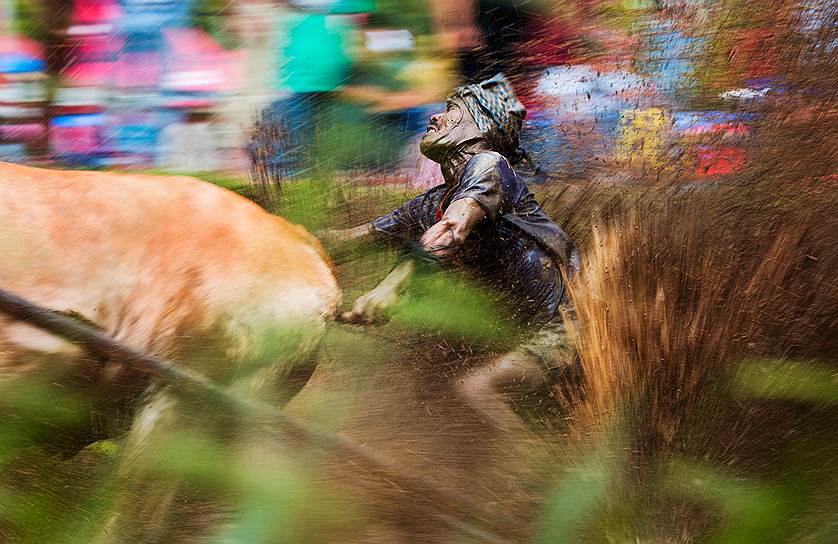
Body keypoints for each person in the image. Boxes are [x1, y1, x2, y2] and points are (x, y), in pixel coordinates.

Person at [322, 74, 580, 430]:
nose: (435, 117)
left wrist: (389, 287)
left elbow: (452, 229)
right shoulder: (430, 203)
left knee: (475, 390)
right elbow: (351, 240)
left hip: (566, 327)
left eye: (451, 111)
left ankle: (526, 483)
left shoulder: (491, 166)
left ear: (481, 126)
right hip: (512, 338)